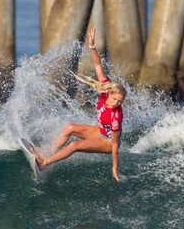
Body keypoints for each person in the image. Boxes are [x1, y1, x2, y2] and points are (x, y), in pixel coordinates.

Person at [32, 27, 126, 182]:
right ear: (109, 93)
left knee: (75, 145)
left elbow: (115, 145)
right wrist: (92, 46)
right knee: (69, 128)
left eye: (120, 101)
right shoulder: (105, 91)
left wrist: (114, 168)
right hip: (100, 131)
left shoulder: (116, 117)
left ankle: (44, 163)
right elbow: (98, 67)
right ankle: (49, 153)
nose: (116, 103)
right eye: (115, 99)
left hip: (108, 142)